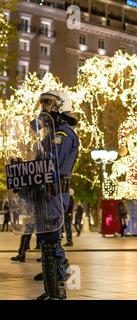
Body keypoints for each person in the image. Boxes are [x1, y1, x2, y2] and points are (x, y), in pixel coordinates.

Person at [32, 90, 79, 300]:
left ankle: (58, 289)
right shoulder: (50, 135)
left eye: (48, 104)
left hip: (55, 191)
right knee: (46, 240)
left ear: (60, 108)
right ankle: (53, 286)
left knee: (51, 240)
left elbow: (53, 164)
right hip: (45, 192)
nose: (44, 109)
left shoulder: (63, 135)